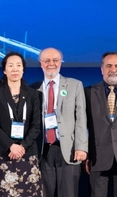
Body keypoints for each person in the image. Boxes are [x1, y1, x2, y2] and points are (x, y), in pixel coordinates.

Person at [31, 47, 88, 197]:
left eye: (55, 60)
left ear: (61, 62)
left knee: (68, 193)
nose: (52, 64)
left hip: (68, 151)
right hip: (42, 150)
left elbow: (81, 118)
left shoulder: (75, 85)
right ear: (41, 63)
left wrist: (81, 147)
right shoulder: (32, 89)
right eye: (47, 60)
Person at [0, 52, 43, 197]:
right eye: (10, 66)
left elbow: (36, 125)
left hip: (28, 154)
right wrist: (11, 146)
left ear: (23, 70)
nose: (15, 69)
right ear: (4, 70)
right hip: (4, 153)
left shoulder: (34, 94)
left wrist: (22, 147)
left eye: (18, 65)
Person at [84, 52, 117, 197]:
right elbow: (83, 126)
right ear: (102, 69)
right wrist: (86, 153)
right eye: (109, 66)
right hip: (97, 157)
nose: (113, 69)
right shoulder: (87, 92)